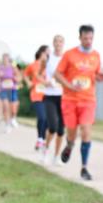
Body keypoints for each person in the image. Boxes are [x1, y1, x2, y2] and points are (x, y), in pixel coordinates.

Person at [55, 25, 103, 181]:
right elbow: (57, 74)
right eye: (85, 38)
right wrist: (69, 85)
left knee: (85, 130)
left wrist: (100, 76)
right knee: (72, 132)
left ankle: (84, 167)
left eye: (91, 38)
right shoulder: (70, 55)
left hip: (88, 99)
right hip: (70, 100)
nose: (88, 41)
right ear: (80, 38)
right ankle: (69, 146)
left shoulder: (96, 55)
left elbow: (96, 74)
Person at [41, 35, 67, 166]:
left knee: (61, 129)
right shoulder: (48, 58)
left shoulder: (67, 58)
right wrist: (45, 82)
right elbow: (38, 75)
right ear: (53, 43)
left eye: (61, 42)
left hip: (63, 96)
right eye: (56, 41)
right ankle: (45, 151)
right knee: (53, 127)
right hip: (50, 96)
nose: (58, 44)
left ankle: (56, 156)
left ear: (63, 44)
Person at [23, 46, 49, 152]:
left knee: (47, 119)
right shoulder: (32, 65)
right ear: (42, 53)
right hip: (36, 94)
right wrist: (28, 82)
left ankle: (42, 140)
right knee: (42, 117)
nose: (49, 55)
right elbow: (25, 74)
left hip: (47, 95)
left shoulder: (49, 66)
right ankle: (40, 139)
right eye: (47, 53)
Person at [0, 53, 21, 131]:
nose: (5, 60)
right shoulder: (0, 68)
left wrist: (15, 79)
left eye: (6, 58)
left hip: (12, 89)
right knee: (5, 107)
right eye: (4, 58)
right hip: (3, 89)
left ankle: (13, 118)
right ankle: (7, 125)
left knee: (13, 108)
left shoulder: (13, 67)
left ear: (9, 59)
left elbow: (18, 77)